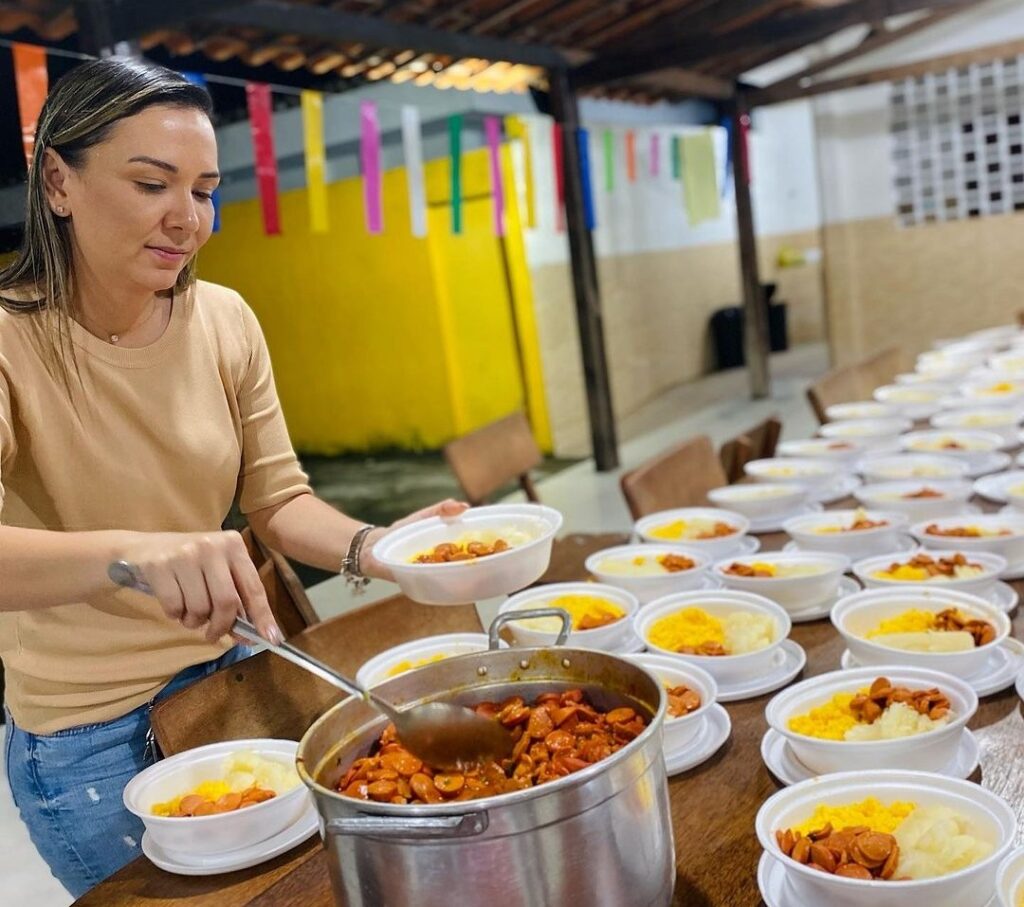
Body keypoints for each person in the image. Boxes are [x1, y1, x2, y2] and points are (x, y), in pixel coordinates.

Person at [0, 56, 465, 898]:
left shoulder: (224, 320)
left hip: (234, 686)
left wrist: (382, 547)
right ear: (59, 182)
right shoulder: (8, 339)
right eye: (152, 184)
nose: (188, 219)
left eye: (205, 189)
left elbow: (280, 501)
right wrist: (136, 553)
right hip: (92, 739)